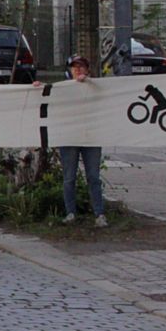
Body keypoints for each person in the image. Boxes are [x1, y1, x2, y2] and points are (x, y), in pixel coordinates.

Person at [56, 55, 107, 228]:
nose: (77, 69)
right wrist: (37, 89)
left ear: (87, 69)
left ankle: (99, 214)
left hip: (91, 137)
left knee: (93, 177)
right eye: (74, 67)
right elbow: (45, 98)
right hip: (69, 137)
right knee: (69, 177)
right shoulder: (62, 89)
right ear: (69, 71)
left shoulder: (95, 87)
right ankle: (71, 213)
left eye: (81, 66)